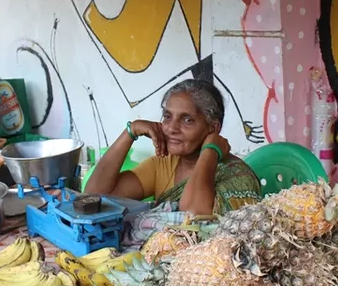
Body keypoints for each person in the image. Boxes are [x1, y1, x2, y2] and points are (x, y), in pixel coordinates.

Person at [84, 79, 262, 216]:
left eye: (187, 120)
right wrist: (130, 132)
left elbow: (193, 217)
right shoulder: (163, 164)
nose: (171, 128)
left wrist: (210, 150)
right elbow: (94, 198)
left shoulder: (238, 176)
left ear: (213, 128)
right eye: (167, 116)